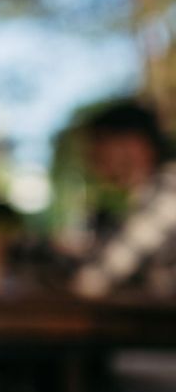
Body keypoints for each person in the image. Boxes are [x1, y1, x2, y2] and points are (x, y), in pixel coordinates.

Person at [67, 100, 176, 298]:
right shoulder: (146, 195)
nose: (91, 154)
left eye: (100, 141)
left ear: (135, 145)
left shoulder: (170, 188)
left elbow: (100, 276)